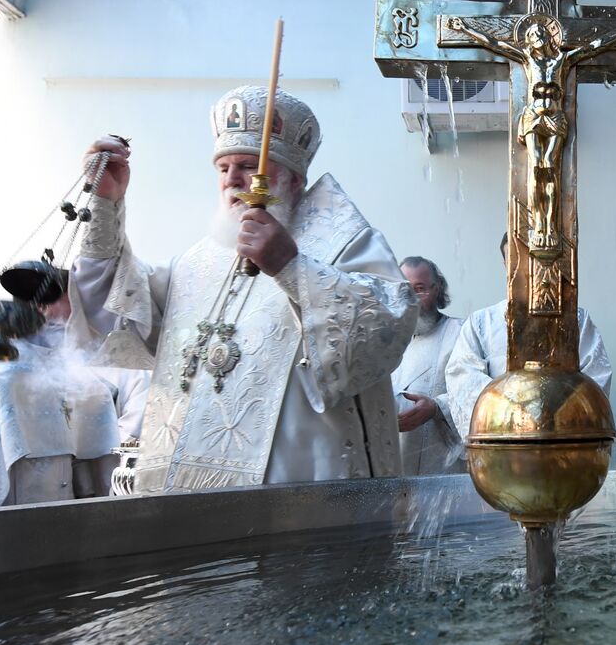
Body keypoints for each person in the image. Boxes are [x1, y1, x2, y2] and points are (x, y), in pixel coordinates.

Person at [66, 86, 416, 491]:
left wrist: (290, 267)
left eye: (250, 166)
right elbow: (120, 313)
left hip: (298, 484)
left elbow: (386, 324)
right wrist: (105, 206)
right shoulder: (195, 262)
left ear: (294, 179)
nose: (233, 178)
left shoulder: (344, 244)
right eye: (223, 167)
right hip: (189, 490)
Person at [0, 268, 149, 510]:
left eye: (55, 301)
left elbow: (118, 442)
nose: (45, 311)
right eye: (37, 303)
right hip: (12, 508)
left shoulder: (117, 365)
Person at [445, 233, 612, 449]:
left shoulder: (576, 319)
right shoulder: (480, 323)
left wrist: (556, 414)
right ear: (505, 264)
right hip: (503, 443)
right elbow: (463, 378)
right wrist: (514, 412)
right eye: (515, 259)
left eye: (531, 257)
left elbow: (595, 377)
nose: (525, 266)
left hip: (563, 441)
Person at [392, 256, 464, 475]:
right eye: (405, 291)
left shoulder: (460, 333)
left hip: (442, 470)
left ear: (437, 288)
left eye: (419, 289)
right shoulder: (386, 342)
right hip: (393, 472)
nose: (411, 300)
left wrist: (436, 407)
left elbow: (476, 397)